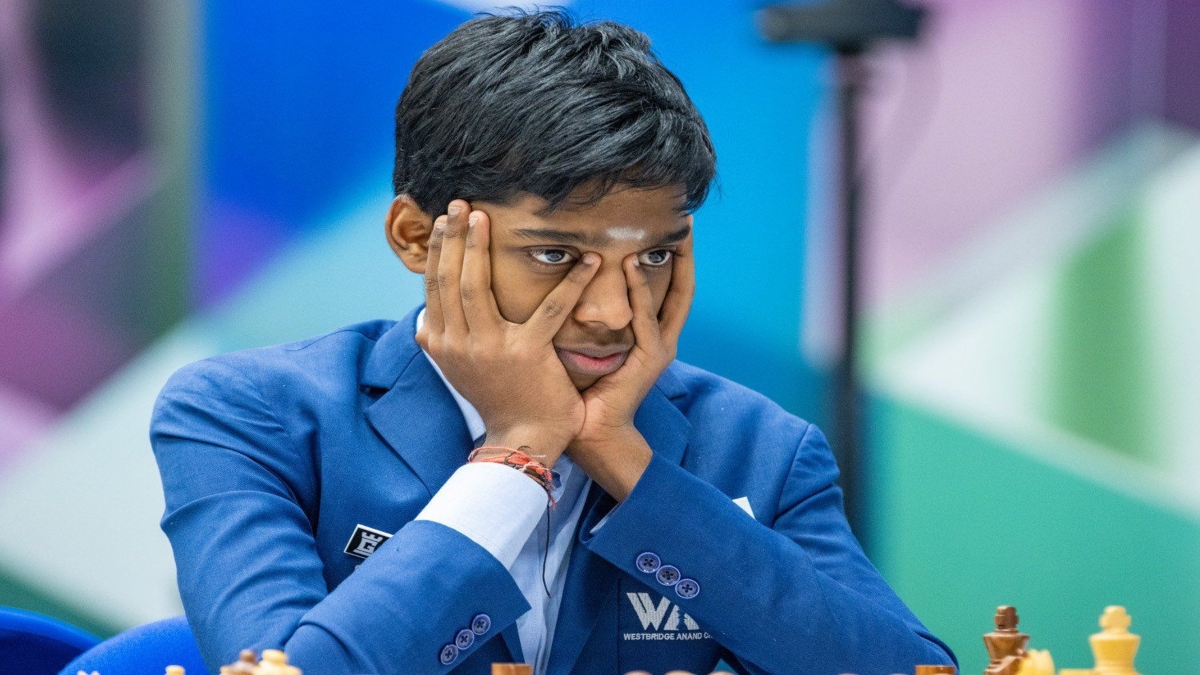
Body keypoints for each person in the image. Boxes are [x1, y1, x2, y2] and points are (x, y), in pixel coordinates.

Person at [151, 10, 956, 675]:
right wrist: (517, 454)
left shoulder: (759, 448)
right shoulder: (251, 417)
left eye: (653, 256)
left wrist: (633, 469)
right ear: (415, 237)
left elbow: (908, 669)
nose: (612, 310)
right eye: (556, 255)